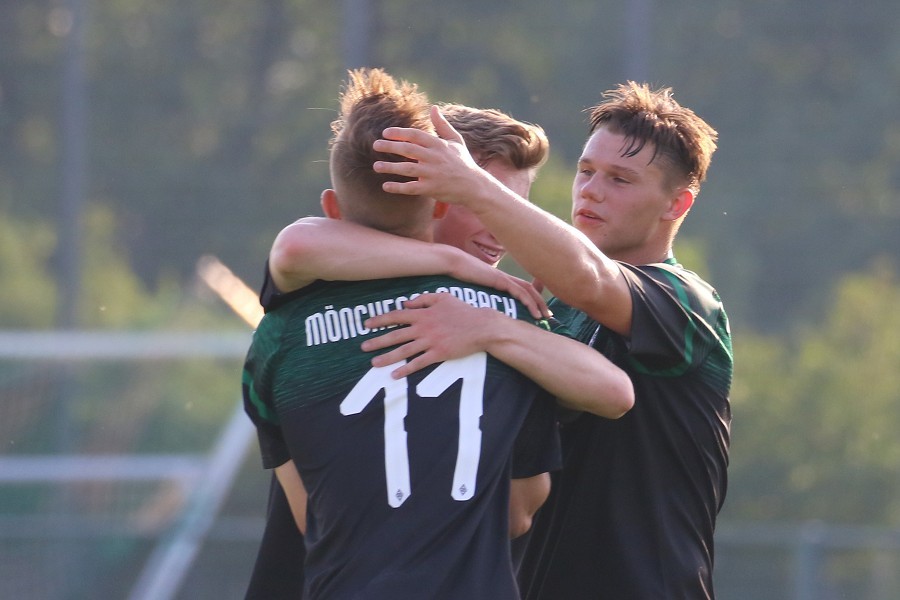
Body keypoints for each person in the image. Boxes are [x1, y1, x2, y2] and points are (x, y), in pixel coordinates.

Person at [242, 68, 633, 599]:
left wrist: (489, 324)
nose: (502, 230)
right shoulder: (511, 315)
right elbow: (522, 508)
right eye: (481, 200)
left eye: (514, 209)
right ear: (435, 192)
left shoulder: (281, 328)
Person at [367, 81, 734, 599]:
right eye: (586, 171)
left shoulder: (686, 302)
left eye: (621, 179)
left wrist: (472, 186)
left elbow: (592, 280)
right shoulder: (545, 304)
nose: (591, 190)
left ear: (678, 204)